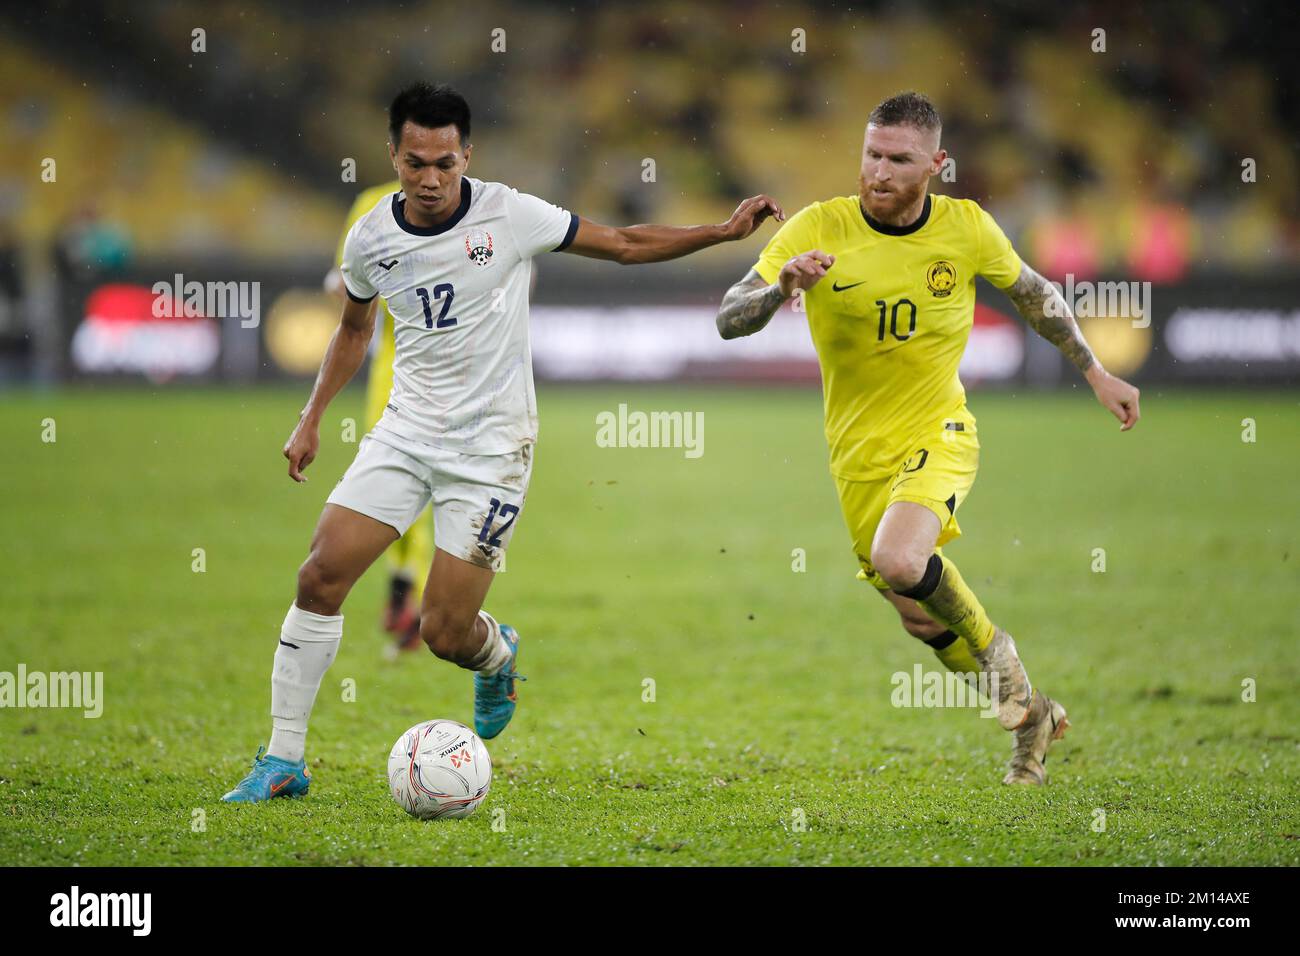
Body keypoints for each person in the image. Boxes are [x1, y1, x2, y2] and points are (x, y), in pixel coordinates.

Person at [223, 81, 783, 802]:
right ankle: (283, 760)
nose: (430, 179)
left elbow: (621, 242)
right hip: (406, 432)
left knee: (444, 634)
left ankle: (496, 655)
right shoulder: (370, 238)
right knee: (319, 577)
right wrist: (310, 418)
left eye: (445, 163)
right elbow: (356, 329)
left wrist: (722, 233)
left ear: (467, 155)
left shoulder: (509, 214)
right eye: (416, 161)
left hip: (492, 450)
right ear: (392, 154)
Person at [715, 91, 1140, 785]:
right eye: (871, 155)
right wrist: (779, 287)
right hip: (856, 455)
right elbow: (728, 319)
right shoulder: (819, 227)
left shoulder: (966, 229)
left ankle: (997, 651)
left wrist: (1095, 371)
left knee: (899, 556)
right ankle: (1033, 719)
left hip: (938, 430)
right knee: (917, 617)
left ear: (936, 164)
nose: (879, 173)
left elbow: (1034, 294)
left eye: (899, 160)